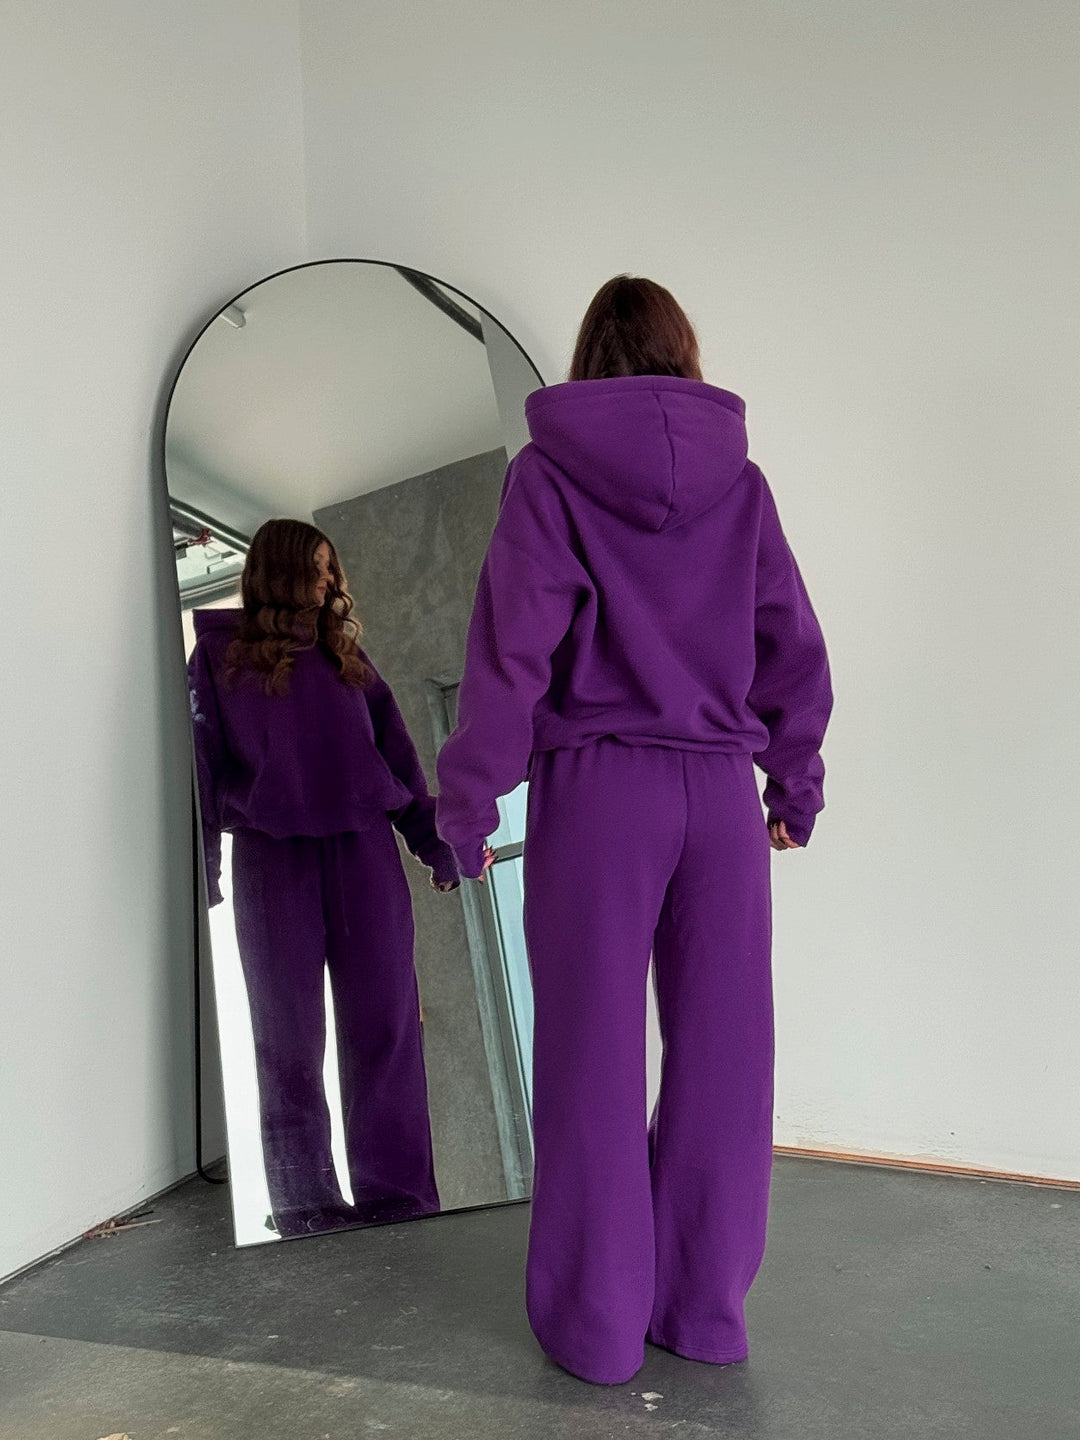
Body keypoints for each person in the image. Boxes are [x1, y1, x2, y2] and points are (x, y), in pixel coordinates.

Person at [434, 275, 834, 1384]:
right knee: (725, 1058)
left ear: (589, 359)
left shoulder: (547, 477)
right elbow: (792, 641)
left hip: (599, 793)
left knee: (592, 1059)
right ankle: (704, 1312)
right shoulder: (740, 484)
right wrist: (791, 784)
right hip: (716, 795)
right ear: (683, 353)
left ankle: (598, 1328)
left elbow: (510, 654)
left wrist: (467, 807)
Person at [187, 518, 476, 1237]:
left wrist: (434, 846)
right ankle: (306, 1207)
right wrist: (204, 873)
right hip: (270, 860)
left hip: (362, 852)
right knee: (285, 1039)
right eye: (315, 569)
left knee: (384, 1027)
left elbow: (401, 765)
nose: (329, 582)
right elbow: (199, 768)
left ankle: (400, 1200)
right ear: (279, 572)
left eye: (331, 569)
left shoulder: (349, 658)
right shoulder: (220, 655)